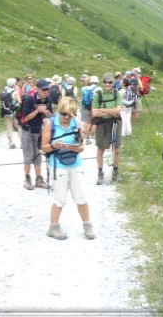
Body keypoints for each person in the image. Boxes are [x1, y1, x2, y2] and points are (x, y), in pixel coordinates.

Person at [41, 96, 95, 240]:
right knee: (60, 199)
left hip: (75, 164)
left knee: (81, 197)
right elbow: (44, 147)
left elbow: (82, 146)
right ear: (59, 111)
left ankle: (87, 225)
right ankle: (53, 227)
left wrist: (77, 148)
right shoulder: (50, 124)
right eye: (64, 114)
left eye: (70, 114)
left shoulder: (76, 124)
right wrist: (54, 145)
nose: (67, 117)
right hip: (58, 165)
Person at [19, 78, 53, 190]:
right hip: (27, 130)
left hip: (39, 130)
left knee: (38, 155)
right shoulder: (29, 99)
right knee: (28, 156)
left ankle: (39, 179)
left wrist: (45, 111)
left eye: (47, 89)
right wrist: (38, 111)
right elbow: (26, 117)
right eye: (43, 89)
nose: (46, 91)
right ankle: (27, 179)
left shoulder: (48, 99)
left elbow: (51, 115)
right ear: (37, 89)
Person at [91, 73, 122, 184]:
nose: (107, 84)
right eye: (105, 82)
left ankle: (115, 173)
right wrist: (110, 112)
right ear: (102, 83)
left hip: (115, 122)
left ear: (113, 83)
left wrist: (102, 110)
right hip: (102, 124)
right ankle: (100, 173)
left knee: (117, 149)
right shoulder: (97, 95)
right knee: (101, 149)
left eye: (110, 82)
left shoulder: (117, 94)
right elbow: (94, 113)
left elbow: (118, 111)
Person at [0, 77, 21, 149]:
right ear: (14, 84)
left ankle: (11, 142)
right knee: (19, 126)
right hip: (15, 112)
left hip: (6, 111)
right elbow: (19, 101)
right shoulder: (15, 92)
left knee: (9, 126)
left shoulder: (4, 92)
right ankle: (22, 142)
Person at [80, 75, 98, 144]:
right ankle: (92, 135)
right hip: (93, 107)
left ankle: (87, 137)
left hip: (84, 106)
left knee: (85, 122)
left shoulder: (84, 88)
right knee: (91, 122)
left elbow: (81, 98)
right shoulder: (97, 88)